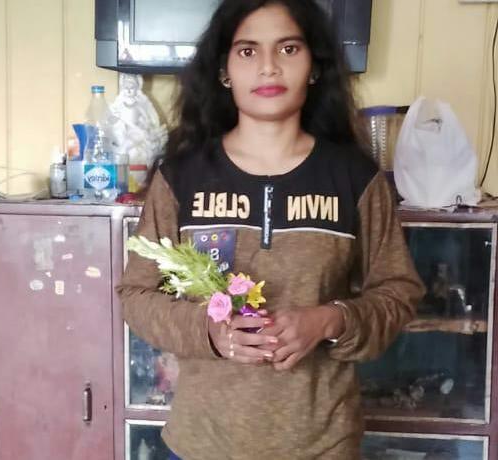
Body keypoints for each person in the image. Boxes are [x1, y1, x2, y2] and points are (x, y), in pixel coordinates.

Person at [117, 0, 425, 458]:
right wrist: (211, 331)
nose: (268, 67)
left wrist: (330, 319)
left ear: (314, 67)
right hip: (204, 444)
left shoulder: (355, 178)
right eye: (247, 51)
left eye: (288, 49)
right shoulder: (182, 178)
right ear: (224, 71)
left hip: (322, 443)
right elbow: (136, 296)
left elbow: (398, 294)